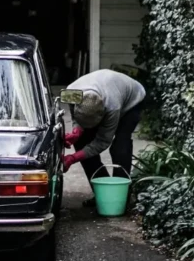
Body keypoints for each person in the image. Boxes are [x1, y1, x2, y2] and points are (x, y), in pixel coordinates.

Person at [61, 69, 146, 201]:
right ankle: (102, 194)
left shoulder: (113, 107)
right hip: (105, 89)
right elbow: (75, 117)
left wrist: (73, 158)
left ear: (102, 115)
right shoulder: (70, 93)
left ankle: (120, 196)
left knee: (119, 148)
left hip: (132, 100)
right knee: (81, 142)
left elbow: (102, 142)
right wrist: (76, 132)